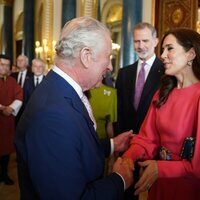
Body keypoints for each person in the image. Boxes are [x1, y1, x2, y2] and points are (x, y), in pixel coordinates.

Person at [14, 16, 134, 199]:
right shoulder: (53, 115)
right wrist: (120, 179)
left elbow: (72, 148)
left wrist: (111, 144)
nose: (110, 66)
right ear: (86, 56)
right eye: (108, 57)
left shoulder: (62, 90)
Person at [123, 28, 200, 200]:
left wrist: (161, 168)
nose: (163, 55)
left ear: (191, 54)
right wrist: (129, 157)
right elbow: (147, 138)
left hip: (189, 188)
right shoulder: (162, 93)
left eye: (169, 49)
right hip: (159, 183)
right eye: (163, 50)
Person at [115, 22, 164, 200]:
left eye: (145, 40)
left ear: (155, 41)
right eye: (136, 41)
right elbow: (120, 111)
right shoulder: (124, 73)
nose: (140, 46)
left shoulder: (167, 72)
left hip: (155, 147)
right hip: (128, 144)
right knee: (126, 192)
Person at [0, 54, 23, 185]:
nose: (4, 67)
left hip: (7, 122)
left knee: (6, 151)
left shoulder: (12, 81)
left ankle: (4, 174)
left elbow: (19, 95)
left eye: (7, 65)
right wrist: (2, 107)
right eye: (2, 64)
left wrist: (11, 108)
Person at [87, 79, 117, 175]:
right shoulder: (80, 89)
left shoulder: (111, 94)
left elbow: (110, 127)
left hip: (101, 149)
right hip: (78, 146)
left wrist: (112, 157)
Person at [11, 54, 33, 124]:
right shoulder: (12, 75)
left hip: (27, 107)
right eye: (18, 60)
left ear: (26, 63)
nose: (19, 61)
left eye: (22, 60)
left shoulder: (32, 75)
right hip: (14, 107)